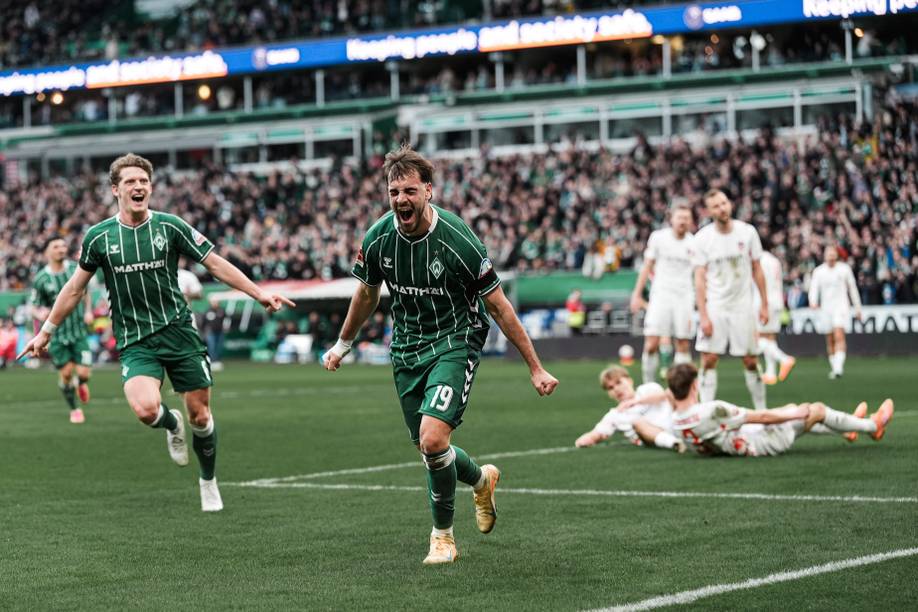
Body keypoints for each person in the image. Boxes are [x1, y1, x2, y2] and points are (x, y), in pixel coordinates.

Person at [322, 145, 559, 565]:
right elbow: (366, 292)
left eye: (409, 191)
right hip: (406, 348)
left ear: (428, 190)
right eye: (394, 192)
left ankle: (443, 538)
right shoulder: (378, 238)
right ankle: (482, 479)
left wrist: (535, 368)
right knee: (431, 450)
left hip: (455, 339)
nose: (400, 200)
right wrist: (343, 342)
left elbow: (499, 306)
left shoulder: (458, 239)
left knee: (433, 439)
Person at [18, 153, 294, 512]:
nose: (139, 187)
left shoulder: (170, 227)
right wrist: (46, 331)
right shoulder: (99, 237)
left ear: (151, 187)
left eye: (144, 181)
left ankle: (208, 480)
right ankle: (170, 422)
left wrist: (259, 293)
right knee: (146, 409)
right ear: (116, 189)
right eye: (131, 182)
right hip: (135, 340)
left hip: (179, 333)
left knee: (201, 416)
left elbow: (214, 263)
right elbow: (73, 289)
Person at [666, 363, 894, 457]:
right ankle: (873, 426)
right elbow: (761, 416)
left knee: (791, 409)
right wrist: (794, 414)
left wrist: (788, 411)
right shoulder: (711, 410)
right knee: (815, 410)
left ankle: (847, 429)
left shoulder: (675, 423)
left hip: (737, 443)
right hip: (761, 443)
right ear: (695, 385)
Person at [693, 189, 769, 410]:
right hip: (716, 306)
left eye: (724, 203)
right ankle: (705, 411)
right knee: (708, 359)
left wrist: (764, 304)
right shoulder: (703, 238)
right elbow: (699, 279)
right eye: (716, 206)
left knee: (751, 360)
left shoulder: (747, 232)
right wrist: (703, 315)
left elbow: (757, 269)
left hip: (742, 306)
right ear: (709, 211)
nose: (722, 208)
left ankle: (762, 411)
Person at [29, 236, 95, 423]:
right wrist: (39, 313)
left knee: (83, 373)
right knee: (66, 373)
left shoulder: (76, 269)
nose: (61, 249)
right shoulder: (41, 279)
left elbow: (86, 292)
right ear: (47, 252)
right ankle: (74, 409)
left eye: (63, 245)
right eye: (56, 246)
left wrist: (88, 311)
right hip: (56, 335)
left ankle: (80, 383)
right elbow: (34, 305)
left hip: (78, 331)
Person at [630, 202, 696, 384]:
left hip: (684, 297)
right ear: (671, 219)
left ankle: (681, 389)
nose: (683, 221)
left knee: (683, 343)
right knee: (651, 343)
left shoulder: (695, 243)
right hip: (661, 296)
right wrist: (636, 294)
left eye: (687, 218)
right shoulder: (658, 238)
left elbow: (699, 274)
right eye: (680, 217)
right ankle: (648, 386)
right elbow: (647, 267)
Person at [574, 365, 685, 453]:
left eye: (618, 382)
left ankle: (691, 428)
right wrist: (582, 441)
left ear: (629, 380)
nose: (616, 389)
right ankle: (675, 443)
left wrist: (636, 401)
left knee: (674, 392)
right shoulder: (614, 415)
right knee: (638, 423)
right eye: (610, 388)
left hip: (675, 424)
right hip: (653, 438)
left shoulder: (647, 389)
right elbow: (595, 434)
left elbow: (663, 395)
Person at [809, 246, 863, 379]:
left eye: (833, 254)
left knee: (839, 335)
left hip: (841, 307)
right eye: (829, 254)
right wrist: (813, 301)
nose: (831, 256)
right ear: (825, 255)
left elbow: (852, 289)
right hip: (825, 309)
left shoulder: (844, 269)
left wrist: (857, 308)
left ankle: (838, 368)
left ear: (836, 255)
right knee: (830, 339)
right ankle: (835, 367)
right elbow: (814, 288)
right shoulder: (819, 271)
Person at [756, 250, 795, 385]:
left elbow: (757, 281)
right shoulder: (774, 260)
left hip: (763, 302)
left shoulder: (758, 259)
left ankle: (784, 359)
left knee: (757, 337)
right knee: (770, 338)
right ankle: (770, 373)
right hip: (777, 302)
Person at [203, 296, 227, 371]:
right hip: (210, 332)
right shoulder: (208, 311)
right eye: (213, 302)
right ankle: (212, 362)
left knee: (219, 347)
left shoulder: (221, 311)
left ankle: (218, 361)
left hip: (220, 332)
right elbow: (204, 323)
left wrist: (225, 327)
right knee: (212, 347)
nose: (215, 303)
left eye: (216, 302)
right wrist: (204, 331)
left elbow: (226, 320)